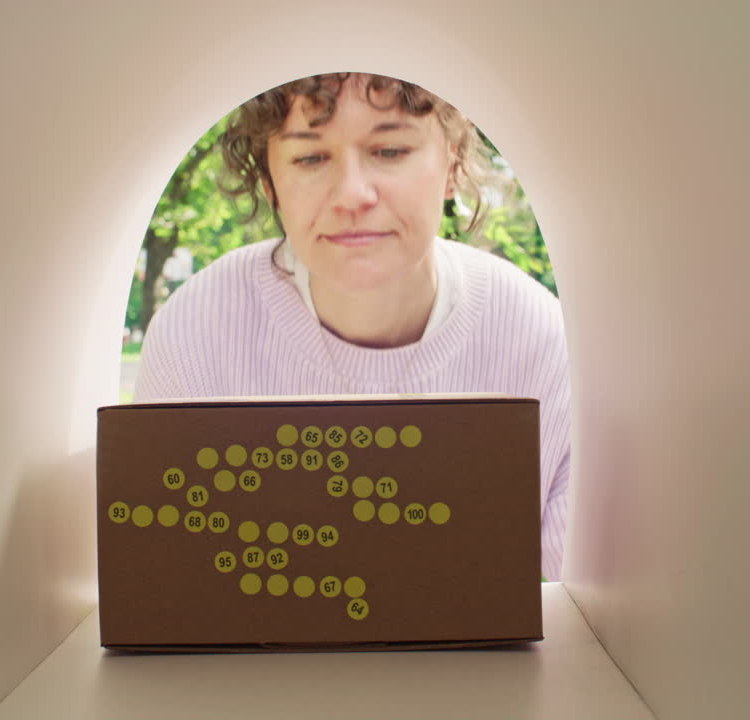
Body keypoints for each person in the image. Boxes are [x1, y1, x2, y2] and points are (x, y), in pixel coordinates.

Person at [134, 73, 572, 581]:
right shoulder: (196, 334)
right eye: (310, 158)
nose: (353, 195)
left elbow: (571, 612)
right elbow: (172, 588)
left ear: (451, 161)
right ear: (271, 181)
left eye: (389, 150)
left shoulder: (539, 339)